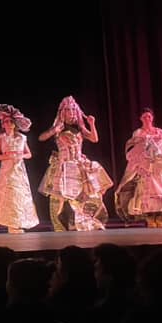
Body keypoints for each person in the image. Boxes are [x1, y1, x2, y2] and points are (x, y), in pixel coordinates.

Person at [37, 96, 114, 231]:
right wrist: (54, 130)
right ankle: (60, 225)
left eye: (72, 109)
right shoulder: (58, 127)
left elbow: (94, 139)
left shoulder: (80, 128)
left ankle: (83, 222)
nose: (70, 112)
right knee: (60, 196)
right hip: (63, 164)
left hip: (78, 164)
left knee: (86, 195)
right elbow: (41, 137)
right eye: (67, 110)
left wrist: (91, 123)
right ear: (62, 112)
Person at [0, 104, 39, 233]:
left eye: (10, 121)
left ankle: (19, 222)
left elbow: (29, 154)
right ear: (3, 125)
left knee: (19, 195)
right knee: (9, 196)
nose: (8, 124)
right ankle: (11, 224)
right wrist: (7, 156)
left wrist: (21, 155)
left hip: (19, 171)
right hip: (7, 171)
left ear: (14, 124)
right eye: (5, 122)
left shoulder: (22, 138)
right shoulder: (1, 139)